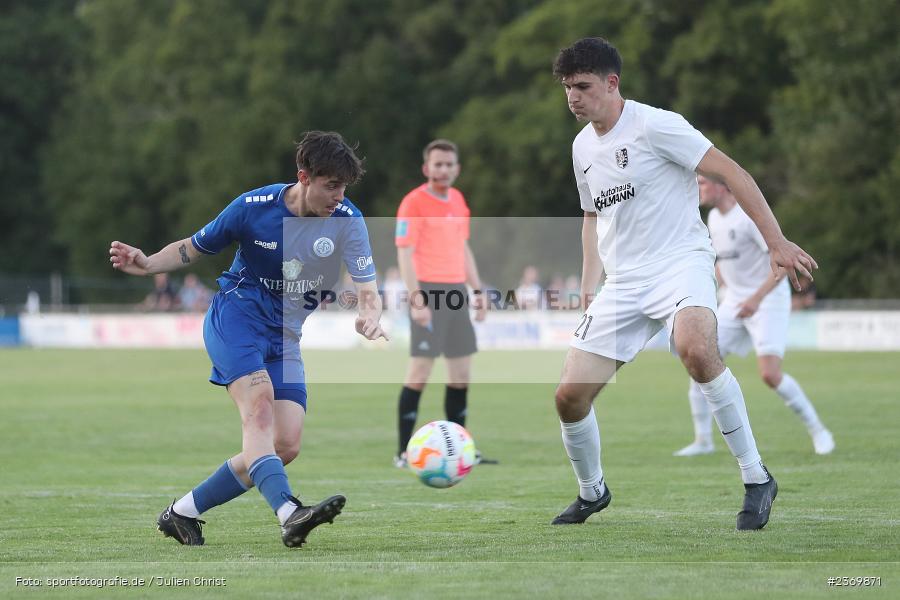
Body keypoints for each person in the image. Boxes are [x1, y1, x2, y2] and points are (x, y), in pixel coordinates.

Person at [550, 38, 817, 530]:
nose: (574, 97)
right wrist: (590, 288)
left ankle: (757, 477)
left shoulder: (656, 125)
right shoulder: (582, 146)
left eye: (583, 86)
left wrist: (775, 241)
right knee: (569, 397)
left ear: (612, 83)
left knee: (695, 349)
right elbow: (591, 218)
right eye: (567, 88)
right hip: (625, 281)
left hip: (680, 262)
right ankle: (592, 492)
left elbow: (733, 173)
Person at [109, 131, 387, 548]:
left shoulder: (348, 219)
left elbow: (368, 287)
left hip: (286, 336)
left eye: (344, 187)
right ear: (304, 177)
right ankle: (290, 513)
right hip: (237, 318)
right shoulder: (253, 208)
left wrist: (369, 314)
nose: (338, 196)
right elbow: (194, 247)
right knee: (258, 412)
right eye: (331, 186)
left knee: (284, 444)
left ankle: (182, 512)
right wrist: (148, 263)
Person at [674, 176, 834, 457]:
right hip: (737, 301)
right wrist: (724, 286)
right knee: (698, 361)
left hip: (768, 298)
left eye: (702, 183)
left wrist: (755, 299)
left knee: (770, 375)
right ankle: (703, 441)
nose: (698, 189)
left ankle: (819, 430)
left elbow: (783, 265)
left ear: (721, 186)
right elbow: (722, 260)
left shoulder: (747, 218)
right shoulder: (713, 218)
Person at [393, 139, 490, 467]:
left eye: (449, 164)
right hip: (428, 292)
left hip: (456, 293)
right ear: (426, 168)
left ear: (457, 168)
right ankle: (403, 452)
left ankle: (461, 449)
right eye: (438, 164)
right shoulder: (413, 203)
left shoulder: (458, 200)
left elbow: (463, 249)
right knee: (419, 372)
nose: (444, 169)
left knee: (461, 375)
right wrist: (416, 298)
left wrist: (477, 291)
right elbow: (404, 253)